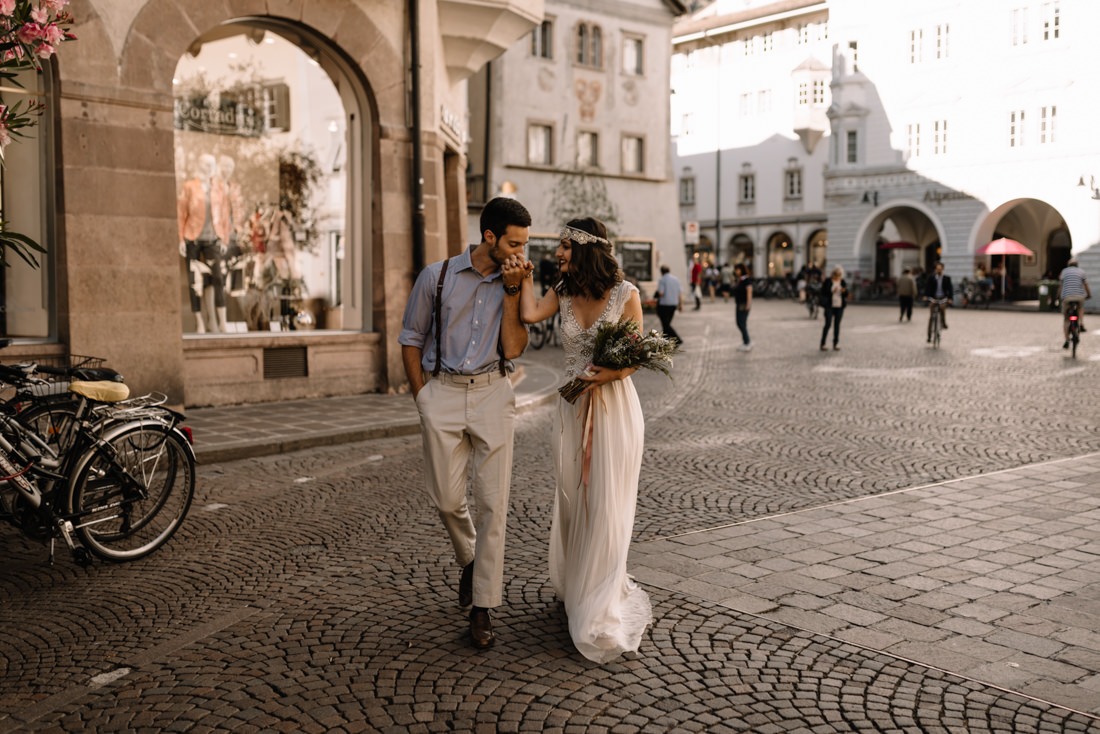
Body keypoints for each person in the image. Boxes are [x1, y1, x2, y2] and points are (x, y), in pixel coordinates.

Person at [511, 216, 653, 663]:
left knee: (607, 500)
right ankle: (579, 584)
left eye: (565, 247)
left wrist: (608, 373)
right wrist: (520, 282)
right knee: (574, 495)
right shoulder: (564, 291)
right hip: (572, 410)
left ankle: (601, 598)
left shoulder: (626, 295)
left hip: (613, 409)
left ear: (586, 249)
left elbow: (634, 357)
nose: (558, 253)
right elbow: (530, 315)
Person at [398, 196, 532, 650]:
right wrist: (423, 398)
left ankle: (483, 608)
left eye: (525, 244)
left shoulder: (517, 279)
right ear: (489, 237)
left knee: (494, 504)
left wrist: (513, 291)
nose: (521, 253)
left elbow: (513, 348)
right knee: (446, 497)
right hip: (444, 394)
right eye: (514, 243)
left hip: (494, 391)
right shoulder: (436, 277)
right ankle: (472, 560)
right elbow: (412, 337)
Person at [178, 152, 228, 333]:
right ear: (200, 165)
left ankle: (222, 322)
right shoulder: (190, 187)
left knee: (218, 278)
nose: (210, 168)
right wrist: (181, 237)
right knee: (195, 282)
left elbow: (224, 215)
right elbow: (181, 212)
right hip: (193, 238)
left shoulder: (219, 188)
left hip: (213, 238)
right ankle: (199, 322)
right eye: (206, 164)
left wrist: (224, 237)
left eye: (212, 164)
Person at [1059, 257, 1091, 349]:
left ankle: (1067, 340)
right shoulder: (1081, 272)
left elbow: (1061, 285)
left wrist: (1058, 296)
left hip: (1067, 297)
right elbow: (1086, 285)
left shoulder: (1064, 272)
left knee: (1066, 319)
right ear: (1077, 265)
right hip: (1079, 296)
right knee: (1080, 308)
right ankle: (1081, 323)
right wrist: (1088, 295)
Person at [923, 261, 953, 342]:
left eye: (940, 269)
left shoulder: (947, 278)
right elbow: (927, 287)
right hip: (934, 298)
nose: (938, 270)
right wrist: (926, 296)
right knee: (931, 316)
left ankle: (943, 323)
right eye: (937, 269)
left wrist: (950, 298)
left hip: (942, 298)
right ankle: (929, 336)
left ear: (942, 269)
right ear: (935, 269)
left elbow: (950, 289)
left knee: (942, 308)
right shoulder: (931, 277)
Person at [819, 265, 848, 351]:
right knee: (828, 324)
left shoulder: (842, 282)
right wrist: (832, 290)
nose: (837, 277)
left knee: (837, 325)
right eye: (836, 274)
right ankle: (823, 343)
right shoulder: (828, 281)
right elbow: (823, 292)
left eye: (839, 275)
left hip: (839, 306)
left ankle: (836, 343)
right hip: (829, 305)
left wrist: (844, 291)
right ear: (833, 274)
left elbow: (846, 293)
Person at [654, 264, 683, 346]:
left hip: (664, 305)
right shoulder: (676, 279)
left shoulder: (662, 280)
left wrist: (655, 295)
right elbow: (680, 293)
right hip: (673, 305)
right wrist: (681, 305)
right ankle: (666, 342)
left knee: (666, 324)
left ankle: (677, 339)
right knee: (666, 324)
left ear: (661, 272)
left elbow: (661, 293)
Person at [732, 263, 753, 351]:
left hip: (743, 304)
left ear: (741, 270)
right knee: (739, 323)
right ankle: (745, 341)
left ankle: (747, 342)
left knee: (741, 323)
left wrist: (748, 304)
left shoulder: (746, 280)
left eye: (737, 269)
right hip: (739, 303)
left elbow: (749, 291)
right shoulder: (740, 280)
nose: (736, 271)